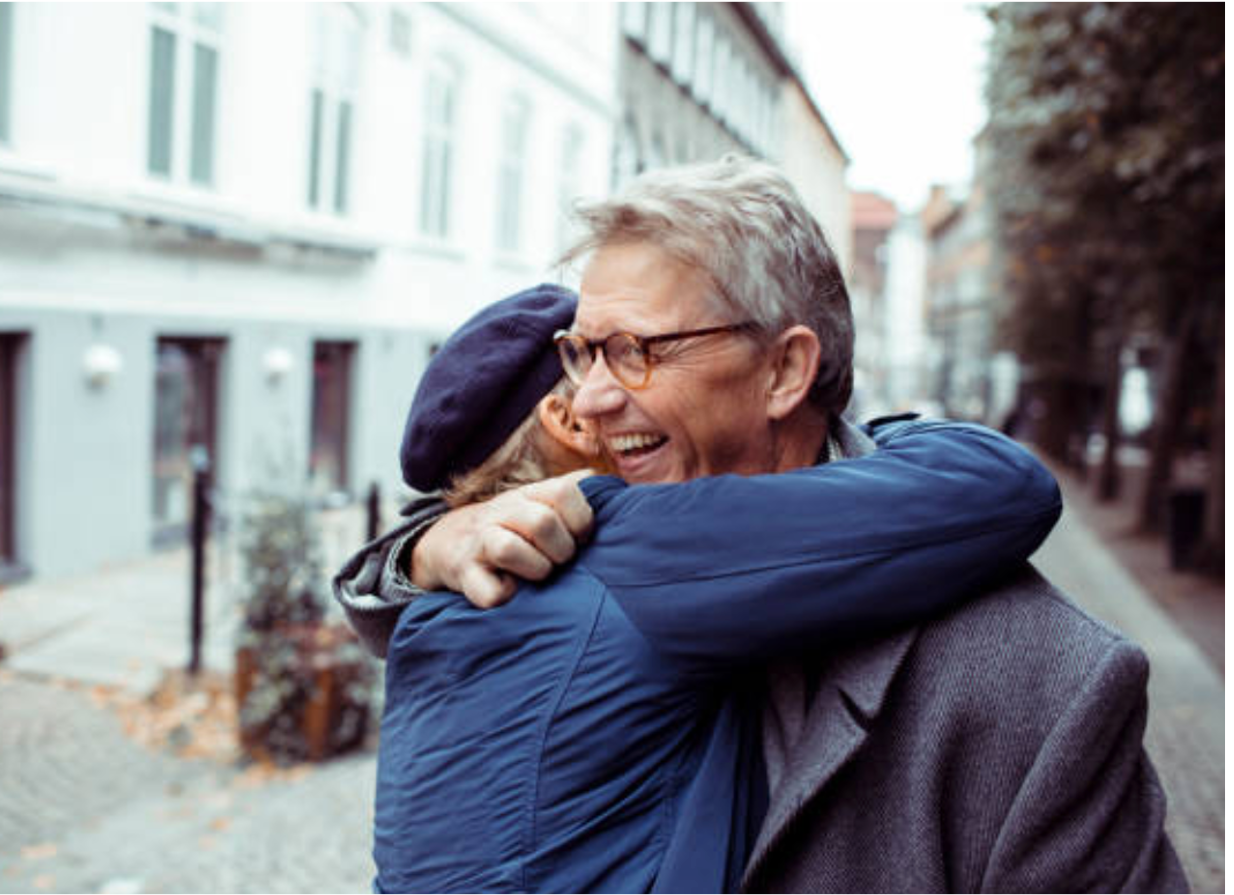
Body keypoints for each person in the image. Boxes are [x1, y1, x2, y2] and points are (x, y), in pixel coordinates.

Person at [341, 157, 1186, 894]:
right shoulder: (574, 548)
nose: (591, 399)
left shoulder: (1037, 678)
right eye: (583, 351)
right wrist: (427, 546)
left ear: (785, 368)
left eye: (636, 349)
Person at [365, 283, 1062, 895]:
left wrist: (425, 546)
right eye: (610, 356)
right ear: (571, 418)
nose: (625, 382)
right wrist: (830, 417)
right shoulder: (630, 540)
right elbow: (1001, 485)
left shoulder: (442, 602)